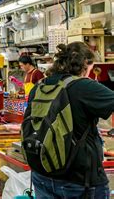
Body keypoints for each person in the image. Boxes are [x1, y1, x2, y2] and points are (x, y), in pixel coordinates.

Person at [27, 42, 114, 198]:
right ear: (85, 64)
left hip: (41, 174)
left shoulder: (40, 86)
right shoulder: (84, 86)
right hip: (78, 180)